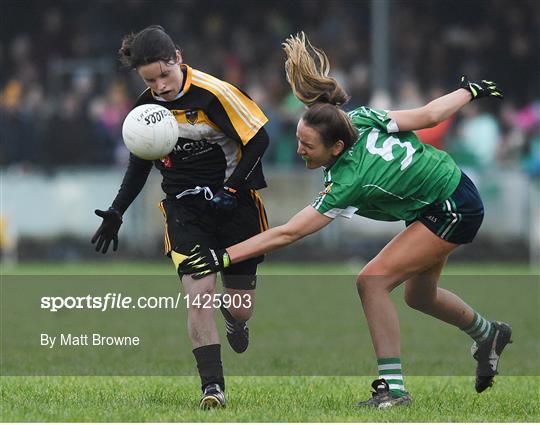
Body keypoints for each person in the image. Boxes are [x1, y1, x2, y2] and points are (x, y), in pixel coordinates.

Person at [178, 32, 512, 408]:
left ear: (335, 147)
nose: (300, 150)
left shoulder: (349, 180)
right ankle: (489, 334)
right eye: (300, 139)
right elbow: (429, 114)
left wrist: (222, 257)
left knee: (371, 282)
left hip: (452, 207)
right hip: (440, 194)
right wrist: (472, 90)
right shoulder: (359, 119)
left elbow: (287, 233)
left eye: (308, 146)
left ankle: (394, 389)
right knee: (419, 296)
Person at [91, 25, 270, 409]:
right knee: (200, 294)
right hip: (184, 210)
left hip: (234, 206)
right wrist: (117, 210)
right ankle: (213, 388)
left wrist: (233, 189)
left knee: (241, 306)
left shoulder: (214, 93)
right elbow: (140, 166)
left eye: (164, 75)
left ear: (179, 58)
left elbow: (259, 139)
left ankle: (236, 320)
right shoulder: (145, 109)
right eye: (150, 80)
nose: (160, 87)